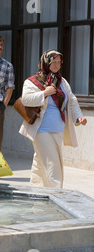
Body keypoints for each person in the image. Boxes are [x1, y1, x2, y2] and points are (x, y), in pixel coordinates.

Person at [19, 50, 87, 189]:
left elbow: (72, 100)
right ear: (46, 62)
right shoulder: (32, 81)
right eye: (53, 61)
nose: (57, 65)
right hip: (41, 129)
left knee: (40, 161)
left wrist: (78, 116)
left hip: (58, 128)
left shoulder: (62, 82)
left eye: (59, 62)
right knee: (53, 164)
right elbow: (26, 99)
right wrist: (44, 93)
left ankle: (36, 190)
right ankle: (56, 194)